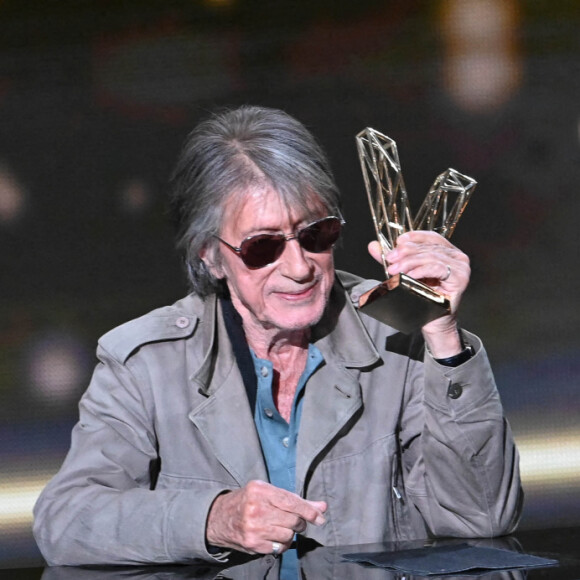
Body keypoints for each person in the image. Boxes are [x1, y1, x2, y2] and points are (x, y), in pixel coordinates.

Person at [33, 105, 522, 566]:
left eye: (316, 234)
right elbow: (67, 522)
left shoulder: (399, 337)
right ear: (210, 256)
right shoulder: (145, 363)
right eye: (262, 246)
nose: (299, 267)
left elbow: (480, 518)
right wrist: (212, 519)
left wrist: (440, 332)